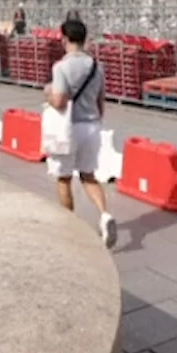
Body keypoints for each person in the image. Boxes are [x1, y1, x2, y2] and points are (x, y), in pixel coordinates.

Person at [44, 19, 117, 249]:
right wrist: (96, 120)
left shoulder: (61, 67)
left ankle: (70, 230)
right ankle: (105, 215)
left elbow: (58, 101)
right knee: (89, 175)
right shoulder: (97, 66)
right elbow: (101, 101)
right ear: (84, 39)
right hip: (92, 125)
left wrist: (47, 93)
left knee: (64, 178)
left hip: (68, 129)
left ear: (64, 39)